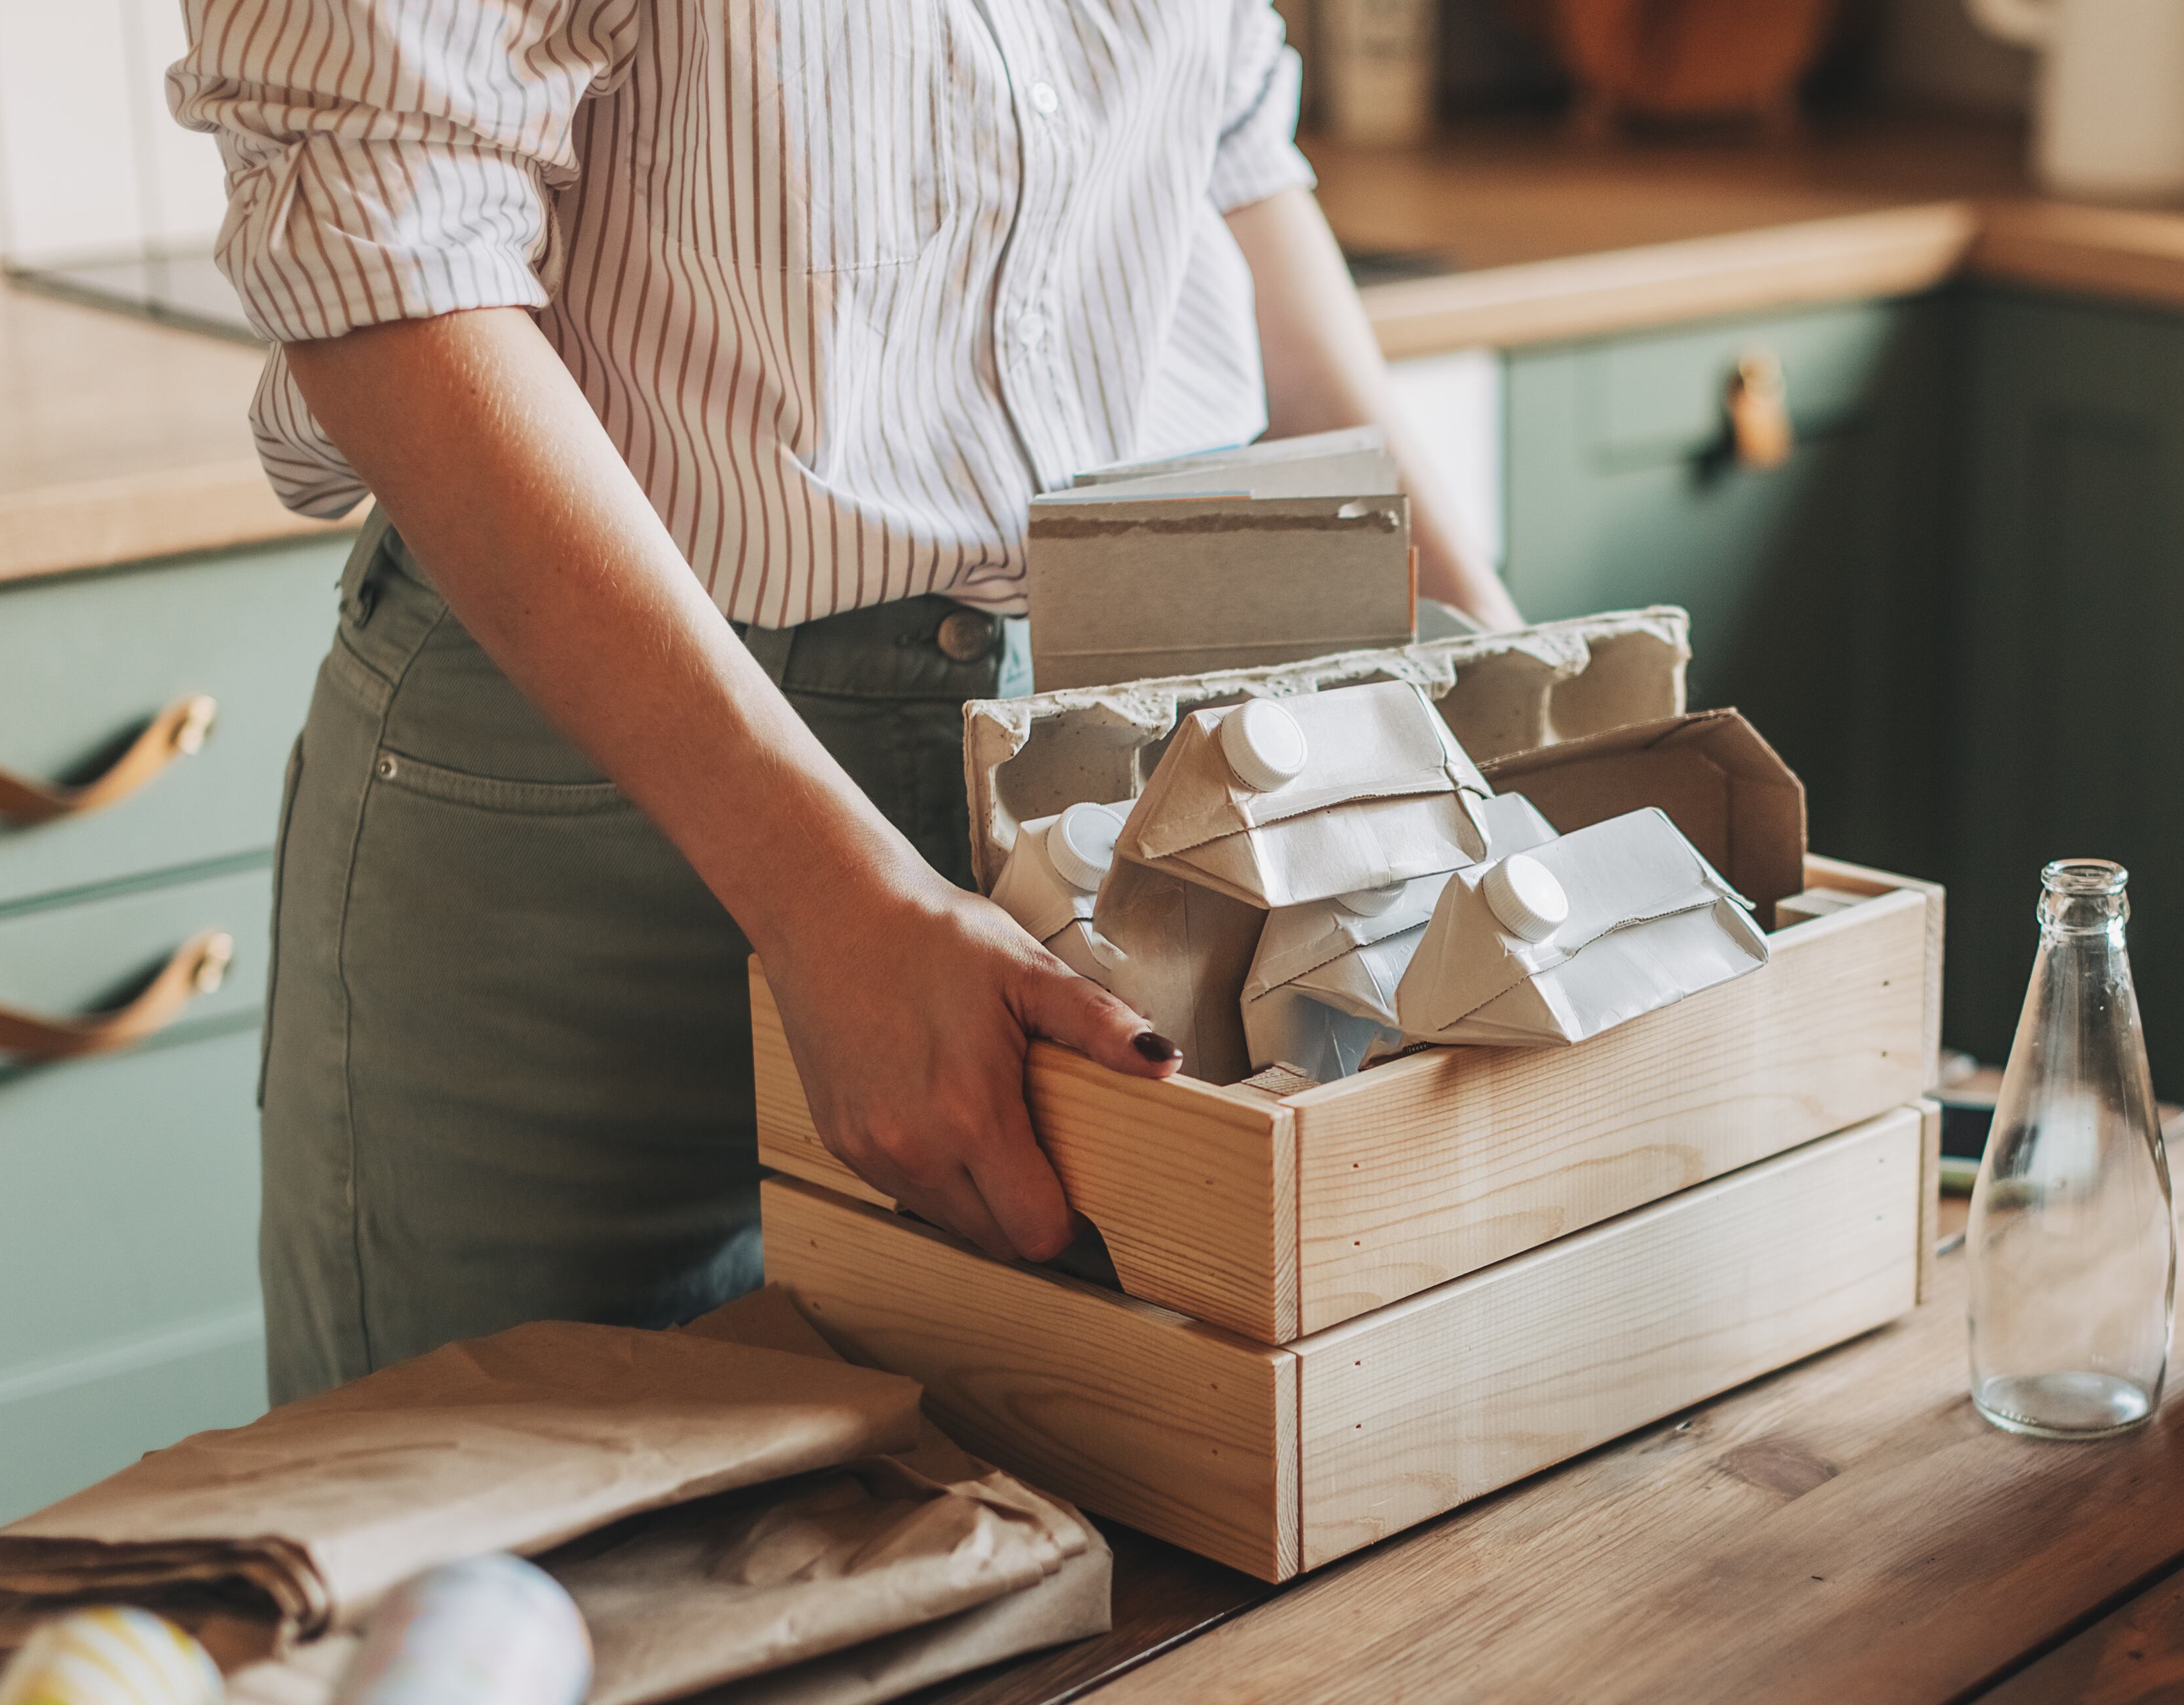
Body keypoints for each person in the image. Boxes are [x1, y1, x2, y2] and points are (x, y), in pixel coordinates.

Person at [172, 2, 1517, 1403]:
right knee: (520, 1579)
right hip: (604, 806)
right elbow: (379, 250)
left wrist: (1481, 647)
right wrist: (826, 897)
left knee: (1118, 1571)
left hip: (1135, 769)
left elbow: (1226, 141)